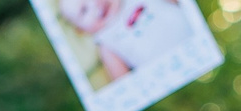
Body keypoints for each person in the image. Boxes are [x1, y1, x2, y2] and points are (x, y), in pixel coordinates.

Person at [57, 0, 191, 84]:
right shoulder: (107, 44)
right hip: (169, 75)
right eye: (84, 10)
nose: (95, 3)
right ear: (82, 30)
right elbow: (124, 84)